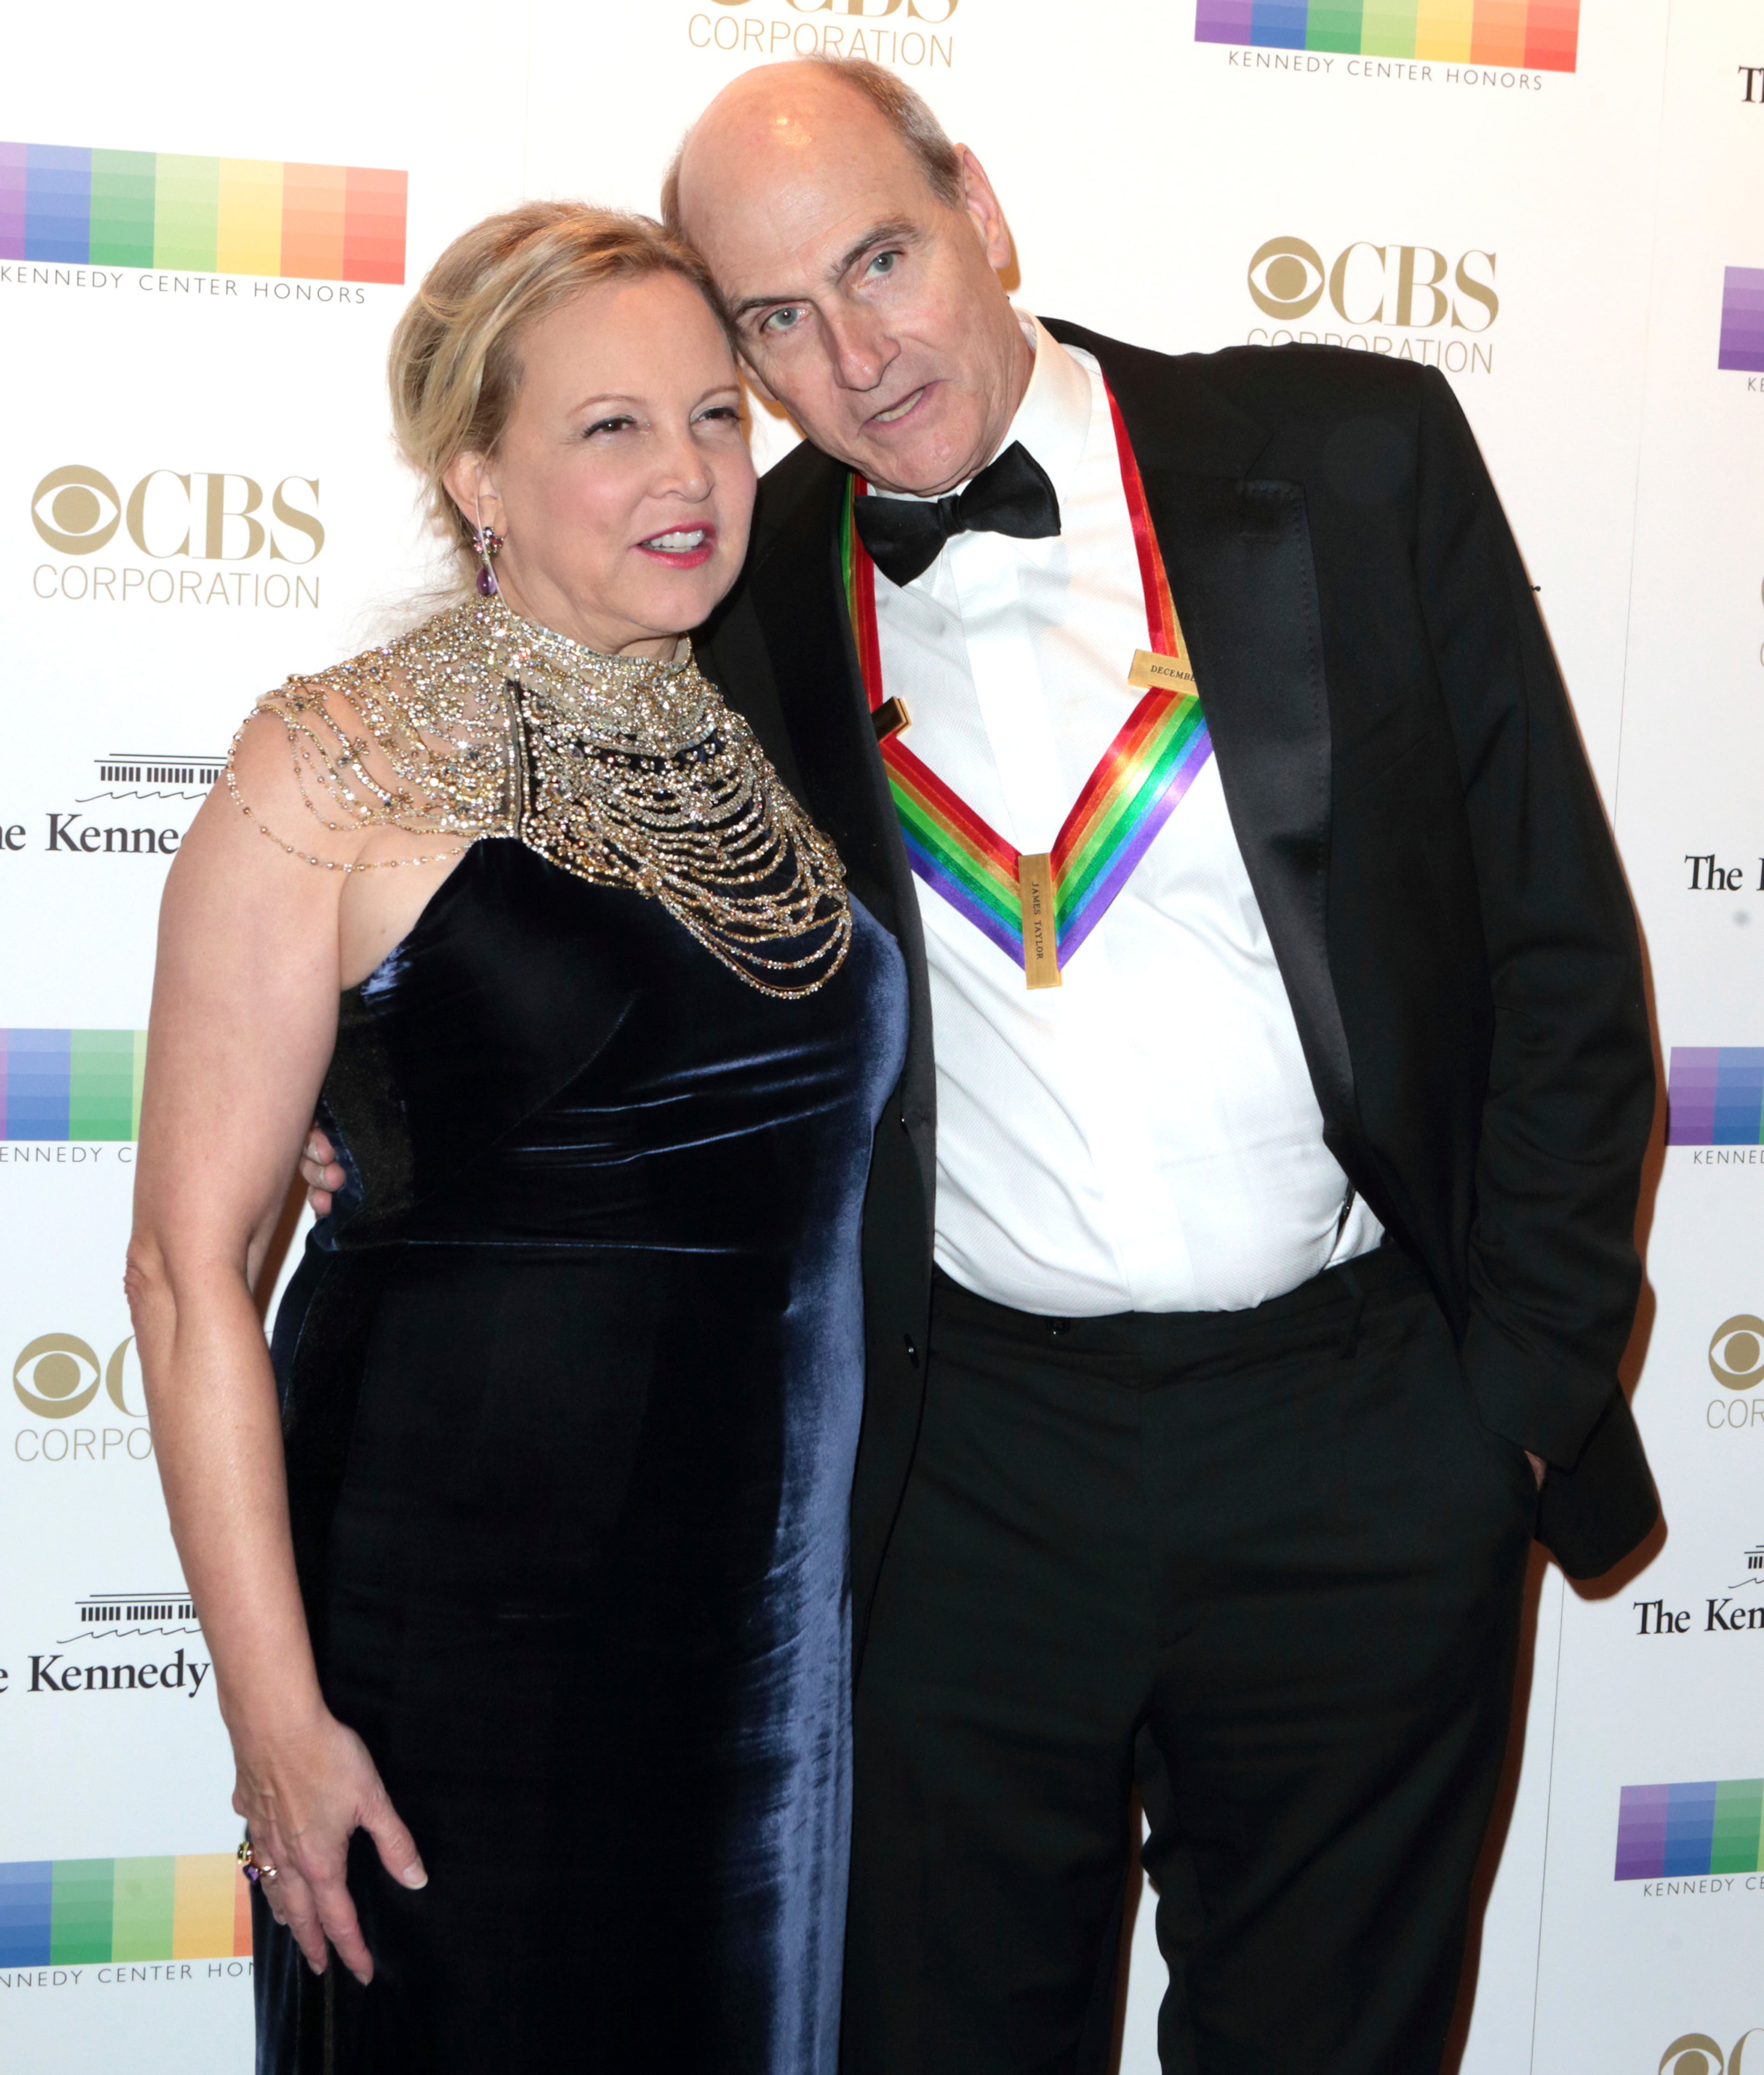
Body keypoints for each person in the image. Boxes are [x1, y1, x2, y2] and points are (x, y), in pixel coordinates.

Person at [301, 57, 1660, 2075]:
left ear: (983, 211)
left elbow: (1557, 951)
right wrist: (398, 1119)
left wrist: (1502, 1421)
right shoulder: (730, 584)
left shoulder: (1356, 452)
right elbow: (543, 882)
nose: (852, 351)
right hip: (960, 1475)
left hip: (1366, 1438)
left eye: (882, 258)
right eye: (771, 319)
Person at [126, 201, 906, 2075]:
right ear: (476, 471)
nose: (692, 472)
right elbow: (183, 1272)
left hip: (755, 1642)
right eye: (610, 426)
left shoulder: (774, 729)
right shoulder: (333, 761)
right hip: (448, 1625)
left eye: (718, 415)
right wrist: (279, 1728)